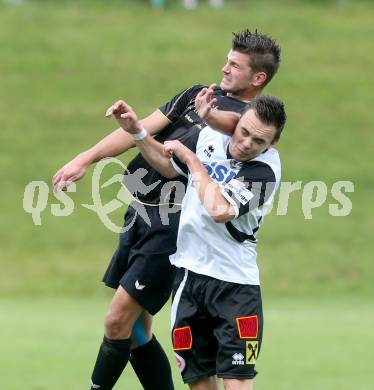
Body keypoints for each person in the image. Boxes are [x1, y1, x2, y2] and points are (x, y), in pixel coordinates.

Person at [52, 29, 281, 390]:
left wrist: (209, 117)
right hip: (140, 214)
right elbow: (141, 130)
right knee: (138, 330)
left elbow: (235, 129)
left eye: (234, 65)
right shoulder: (197, 94)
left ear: (258, 78)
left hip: (172, 227)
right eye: (227, 59)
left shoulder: (246, 126)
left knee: (117, 322)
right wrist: (87, 157)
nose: (224, 68)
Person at [107, 93, 286, 390]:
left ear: (272, 144)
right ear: (236, 123)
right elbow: (168, 167)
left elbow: (220, 210)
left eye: (259, 141)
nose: (246, 144)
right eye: (243, 132)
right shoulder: (209, 138)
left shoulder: (265, 171)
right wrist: (137, 131)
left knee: (237, 382)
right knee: (198, 380)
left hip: (235, 288)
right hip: (188, 281)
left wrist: (191, 160)